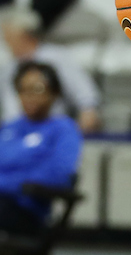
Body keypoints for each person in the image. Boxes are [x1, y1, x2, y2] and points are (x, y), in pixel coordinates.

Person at [0, 63, 82, 233]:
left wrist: (6, 183)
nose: (29, 96)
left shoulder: (63, 129)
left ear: (54, 93)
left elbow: (58, 175)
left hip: (24, 210)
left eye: (37, 90)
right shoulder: (9, 128)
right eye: (23, 90)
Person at [0, 8, 100, 132]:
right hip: (13, 132)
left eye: (9, 36)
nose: (6, 42)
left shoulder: (57, 58)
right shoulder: (9, 66)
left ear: (25, 35)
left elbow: (85, 94)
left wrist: (87, 114)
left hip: (49, 129)